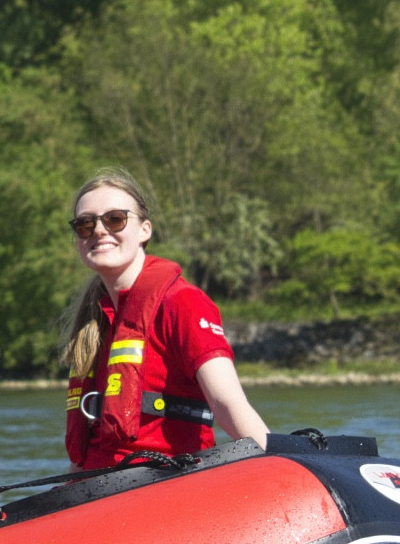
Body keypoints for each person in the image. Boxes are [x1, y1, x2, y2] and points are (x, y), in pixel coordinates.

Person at [61, 169, 268, 468]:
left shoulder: (183, 302)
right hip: (98, 490)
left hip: (164, 486)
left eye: (115, 219)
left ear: (145, 229)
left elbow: (228, 405)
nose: (99, 231)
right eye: (85, 224)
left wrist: (278, 464)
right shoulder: (93, 323)